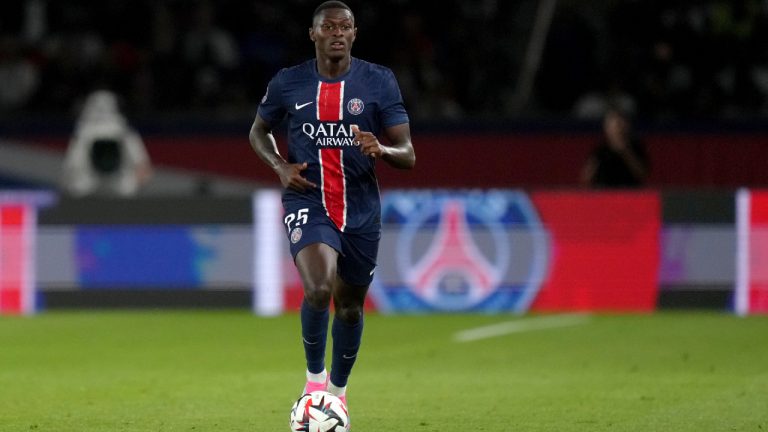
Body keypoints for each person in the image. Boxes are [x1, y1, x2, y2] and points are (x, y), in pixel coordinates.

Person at [248, 0, 415, 414]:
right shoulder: (289, 83)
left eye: (345, 27)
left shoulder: (379, 82)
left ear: (355, 34)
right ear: (314, 34)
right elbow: (258, 131)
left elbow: (408, 153)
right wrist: (279, 166)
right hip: (308, 197)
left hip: (360, 206)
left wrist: (383, 148)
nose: (337, 33)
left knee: (351, 304)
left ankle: (337, 397)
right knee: (320, 289)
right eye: (329, 27)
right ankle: (313, 386)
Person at [61, 89, 153, 197]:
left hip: (116, 186)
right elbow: (143, 168)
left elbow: (69, 169)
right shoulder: (85, 133)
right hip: (92, 188)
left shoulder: (83, 133)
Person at [580, 106, 649, 188]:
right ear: (606, 128)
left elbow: (642, 174)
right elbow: (586, 178)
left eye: (620, 124)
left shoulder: (636, 147)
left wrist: (626, 152)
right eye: (613, 125)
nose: (617, 129)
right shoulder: (601, 150)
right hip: (606, 194)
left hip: (630, 194)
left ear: (627, 126)